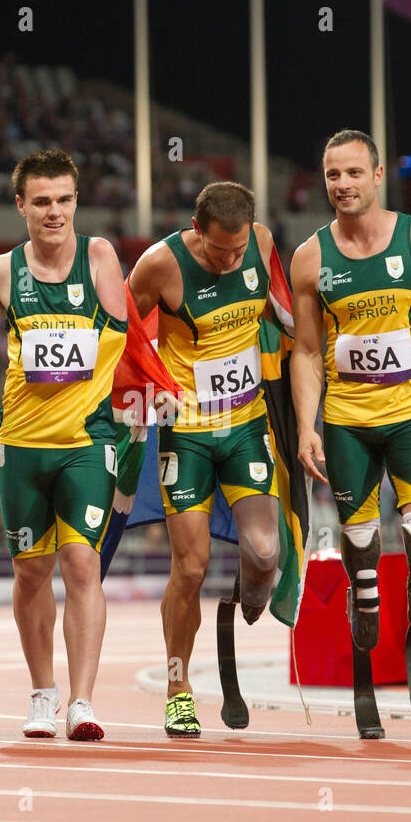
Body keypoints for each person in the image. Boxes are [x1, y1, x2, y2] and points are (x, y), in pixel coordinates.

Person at [0, 149, 127, 741]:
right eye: (43, 202)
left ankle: (83, 701)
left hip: (87, 440)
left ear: (77, 201)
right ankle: (41, 693)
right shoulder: (3, 272)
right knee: (30, 572)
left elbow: (130, 333)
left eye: (65, 200)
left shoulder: (99, 257)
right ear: (21, 205)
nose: (55, 212)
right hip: (22, 447)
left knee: (82, 564)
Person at [290, 129, 411, 693]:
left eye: (352, 173)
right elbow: (306, 349)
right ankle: (363, 595)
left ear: (376, 176)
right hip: (346, 417)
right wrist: (305, 425)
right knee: (360, 535)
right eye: (332, 175)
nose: (342, 185)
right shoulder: (310, 256)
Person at [128, 181, 282, 738]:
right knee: (188, 569)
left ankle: (250, 593)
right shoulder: (158, 266)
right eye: (220, 252)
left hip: (244, 424)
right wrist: (151, 385)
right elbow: (122, 332)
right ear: (198, 231)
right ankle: (178, 688)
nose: (231, 260)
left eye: (238, 251)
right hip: (187, 432)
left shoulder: (262, 245)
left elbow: (287, 317)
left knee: (265, 553)